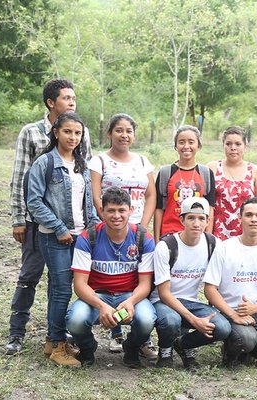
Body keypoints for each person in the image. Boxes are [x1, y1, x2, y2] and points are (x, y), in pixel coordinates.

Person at [6, 79, 93, 355]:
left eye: (74, 98)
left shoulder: (82, 133)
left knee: (61, 282)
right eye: (66, 98)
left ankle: (55, 333)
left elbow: (85, 181)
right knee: (29, 276)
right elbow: (21, 177)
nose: (72, 102)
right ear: (50, 102)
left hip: (74, 227)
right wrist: (19, 218)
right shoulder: (32, 133)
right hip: (37, 223)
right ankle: (16, 332)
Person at [26, 111, 99, 366]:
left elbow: (87, 203)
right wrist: (58, 227)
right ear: (56, 132)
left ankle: (51, 340)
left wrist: (93, 228)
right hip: (55, 237)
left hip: (80, 237)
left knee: (66, 288)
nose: (73, 137)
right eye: (67, 131)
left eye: (77, 133)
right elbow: (34, 201)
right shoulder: (44, 162)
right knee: (60, 290)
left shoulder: (82, 164)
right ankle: (58, 346)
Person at [88, 113, 156, 355]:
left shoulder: (142, 161)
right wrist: (111, 222)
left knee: (140, 278)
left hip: (137, 230)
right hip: (109, 227)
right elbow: (96, 197)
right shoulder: (99, 161)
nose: (124, 135)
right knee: (112, 279)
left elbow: (150, 195)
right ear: (109, 134)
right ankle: (116, 333)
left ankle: (143, 338)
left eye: (129, 130)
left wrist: (142, 225)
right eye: (119, 130)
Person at [65, 187, 156, 368]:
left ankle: (132, 347)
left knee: (146, 320)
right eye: (111, 211)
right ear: (102, 212)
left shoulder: (143, 238)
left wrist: (131, 302)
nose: (117, 216)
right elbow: (80, 284)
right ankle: (87, 347)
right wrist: (101, 306)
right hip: (98, 295)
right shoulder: (88, 237)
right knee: (75, 320)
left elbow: (145, 284)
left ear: (131, 210)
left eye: (122, 210)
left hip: (130, 296)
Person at [204, 198, 257, 367]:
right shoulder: (225, 248)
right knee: (247, 338)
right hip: (228, 310)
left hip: (255, 310)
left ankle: (244, 346)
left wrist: (256, 308)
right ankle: (232, 351)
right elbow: (210, 289)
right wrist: (233, 315)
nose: (253, 219)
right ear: (240, 218)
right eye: (248, 215)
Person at [151, 197, 230, 369]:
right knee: (172, 319)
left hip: (191, 301)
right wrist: (194, 320)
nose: (196, 223)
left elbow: (236, 256)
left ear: (208, 221)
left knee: (222, 328)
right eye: (191, 218)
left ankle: (183, 344)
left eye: (201, 218)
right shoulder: (166, 246)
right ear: (181, 220)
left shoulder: (213, 243)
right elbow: (164, 293)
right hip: (163, 301)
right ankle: (165, 351)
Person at [154, 125, 215, 240]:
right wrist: (157, 239)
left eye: (191, 142)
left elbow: (210, 208)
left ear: (198, 146)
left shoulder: (206, 173)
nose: (186, 146)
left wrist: (207, 237)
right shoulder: (165, 172)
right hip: (169, 235)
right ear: (176, 146)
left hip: (196, 236)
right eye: (181, 142)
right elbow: (159, 208)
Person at [207, 126, 257, 241]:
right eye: (228, 144)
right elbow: (208, 205)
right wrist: (208, 237)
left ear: (245, 147)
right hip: (217, 233)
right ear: (223, 146)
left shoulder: (254, 171)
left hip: (245, 234)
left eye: (238, 144)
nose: (233, 148)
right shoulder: (213, 168)